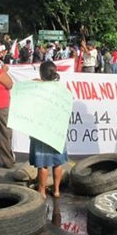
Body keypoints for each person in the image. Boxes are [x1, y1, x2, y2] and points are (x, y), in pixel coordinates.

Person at [29, 61, 68, 199]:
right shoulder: (62, 90)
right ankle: (56, 190)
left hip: (41, 131)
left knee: (43, 164)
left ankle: (42, 191)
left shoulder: (36, 89)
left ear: (41, 74)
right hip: (57, 130)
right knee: (57, 162)